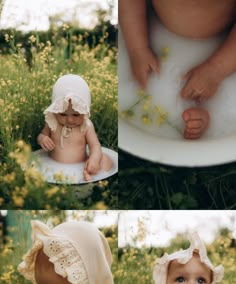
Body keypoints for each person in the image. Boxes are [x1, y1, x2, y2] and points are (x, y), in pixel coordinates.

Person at [119, 0, 236, 139]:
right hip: (157, 34)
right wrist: (137, 49)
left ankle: (208, 111)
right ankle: (186, 109)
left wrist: (217, 70)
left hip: (226, 48)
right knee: (153, 86)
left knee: (213, 86)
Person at [37, 74, 113, 181]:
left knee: (105, 160)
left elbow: (95, 145)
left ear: (84, 111)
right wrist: (42, 139)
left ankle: (90, 175)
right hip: (54, 166)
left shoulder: (86, 125)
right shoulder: (52, 122)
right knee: (36, 165)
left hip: (80, 166)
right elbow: (42, 134)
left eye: (76, 115)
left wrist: (94, 159)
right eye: (63, 114)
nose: (70, 120)